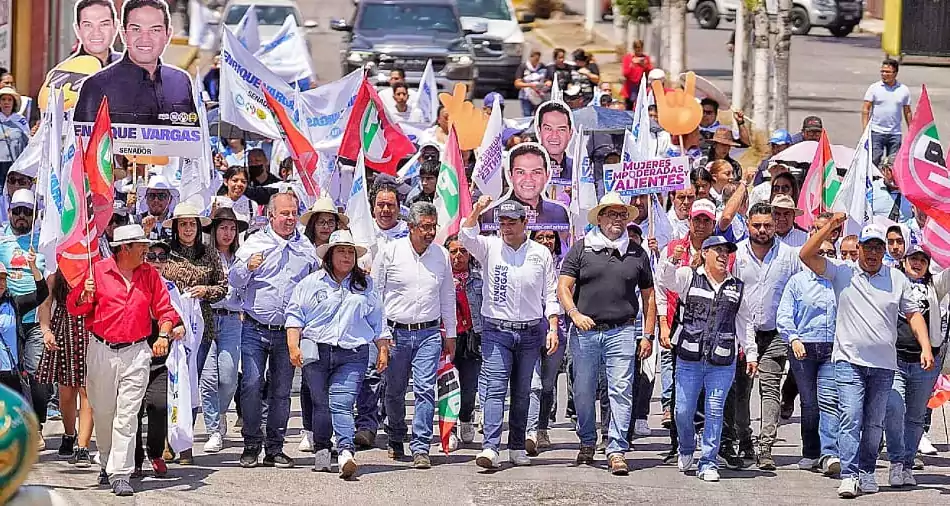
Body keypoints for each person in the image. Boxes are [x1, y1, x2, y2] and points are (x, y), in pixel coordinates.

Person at [799, 217, 932, 498]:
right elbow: (806, 254)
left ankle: (867, 471)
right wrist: (830, 226)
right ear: (858, 248)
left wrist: (926, 346)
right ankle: (849, 475)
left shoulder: (896, 278)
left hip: (883, 365)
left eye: (878, 248)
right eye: (868, 247)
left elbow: (913, 314)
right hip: (848, 361)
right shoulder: (842, 272)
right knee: (850, 416)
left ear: (884, 251)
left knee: (873, 423)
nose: (872, 253)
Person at [66, 224, 181, 496]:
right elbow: (75, 307)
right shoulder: (97, 271)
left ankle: (121, 473)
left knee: (127, 416)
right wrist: (84, 294)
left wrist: (164, 333)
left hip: (137, 351)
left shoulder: (150, 275)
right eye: (141, 245)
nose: (146, 250)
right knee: (104, 413)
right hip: (101, 351)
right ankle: (107, 463)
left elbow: (166, 309)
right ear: (125, 248)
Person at [558, 193, 655, 475]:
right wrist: (574, 314)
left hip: (622, 331)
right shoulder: (581, 248)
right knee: (584, 391)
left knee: (621, 391)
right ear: (599, 218)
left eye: (621, 214)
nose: (617, 219)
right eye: (611, 214)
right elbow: (564, 287)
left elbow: (649, 297)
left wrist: (647, 334)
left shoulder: (637, 253)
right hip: (586, 332)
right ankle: (587, 440)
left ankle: (616, 448)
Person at [460, 198, 559, 469]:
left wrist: (552, 327)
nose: (506, 228)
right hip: (496, 331)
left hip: (530, 333)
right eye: (502, 222)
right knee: (494, 390)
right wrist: (478, 209)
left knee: (523, 392)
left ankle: (516, 446)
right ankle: (490, 447)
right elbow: (465, 235)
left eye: (512, 222)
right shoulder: (490, 246)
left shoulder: (540, 253)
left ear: (525, 223)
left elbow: (550, 293)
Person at [286, 230, 388, 479]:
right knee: (321, 404)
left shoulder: (366, 285)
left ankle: (345, 451)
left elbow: (378, 319)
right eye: (341, 251)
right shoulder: (310, 283)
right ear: (329, 255)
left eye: (350, 251)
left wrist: (383, 349)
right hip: (316, 352)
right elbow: (294, 316)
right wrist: (292, 346)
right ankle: (322, 448)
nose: (346, 256)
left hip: (353, 354)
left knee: (341, 403)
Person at [657, 235, 757, 482]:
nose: (723, 256)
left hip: (722, 361)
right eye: (718, 251)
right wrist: (673, 259)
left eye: (727, 252)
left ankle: (708, 461)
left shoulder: (737, 287)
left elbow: (745, 323)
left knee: (714, 410)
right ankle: (687, 446)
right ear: (704, 253)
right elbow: (665, 279)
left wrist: (751, 353)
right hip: (689, 357)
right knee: (682, 410)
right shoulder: (688, 276)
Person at [230, 192, 318, 469]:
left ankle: (275, 448)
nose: (290, 218)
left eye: (294, 213)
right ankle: (251, 444)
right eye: (285, 213)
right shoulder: (254, 243)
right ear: (271, 216)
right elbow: (233, 278)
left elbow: (315, 283)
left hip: (287, 333)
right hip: (255, 328)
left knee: (281, 391)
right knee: (252, 384)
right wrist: (247, 267)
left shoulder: (305, 247)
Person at [374, 202, 456, 469]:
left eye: (434, 227)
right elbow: (375, 296)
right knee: (395, 391)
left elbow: (447, 296)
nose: (430, 232)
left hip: (429, 333)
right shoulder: (390, 252)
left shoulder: (441, 255)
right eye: (425, 227)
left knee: (424, 390)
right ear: (411, 227)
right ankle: (396, 436)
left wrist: (451, 333)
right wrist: (381, 336)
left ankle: (421, 446)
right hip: (395, 333)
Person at [731, 202, 801, 470]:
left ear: (775, 226)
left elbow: (797, 291)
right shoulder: (736, 254)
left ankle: (766, 446)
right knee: (741, 390)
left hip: (775, 334)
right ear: (748, 224)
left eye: (767, 225)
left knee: (770, 389)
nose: (762, 230)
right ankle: (744, 441)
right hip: (742, 332)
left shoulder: (789, 256)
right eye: (757, 225)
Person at [160, 203, 227, 463]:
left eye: (192, 224)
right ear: (176, 228)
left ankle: (185, 442)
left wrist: (205, 291)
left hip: (202, 328)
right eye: (183, 224)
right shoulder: (165, 253)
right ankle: (168, 439)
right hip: (173, 326)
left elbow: (222, 287)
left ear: (198, 228)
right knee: (172, 384)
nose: (188, 229)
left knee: (198, 384)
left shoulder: (209, 253)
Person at [884, 244, 949, 487]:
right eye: (913, 258)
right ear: (904, 260)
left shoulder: (935, 286)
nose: (917, 263)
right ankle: (895, 462)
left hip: (925, 363)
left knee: (915, 417)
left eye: (923, 259)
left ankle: (907, 465)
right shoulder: (890, 282)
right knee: (894, 409)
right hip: (895, 359)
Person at [73, 0, 197, 127]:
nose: (145, 38)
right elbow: (82, 143)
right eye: (136, 29)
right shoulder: (96, 86)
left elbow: (194, 137)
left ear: (168, 35)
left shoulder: (181, 81)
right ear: (123, 34)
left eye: (155, 30)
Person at [778, 238, 841, 475]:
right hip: (803, 348)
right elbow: (784, 315)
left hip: (831, 349)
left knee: (828, 401)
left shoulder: (840, 281)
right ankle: (811, 451)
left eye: (829, 252)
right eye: (820, 251)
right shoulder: (797, 282)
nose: (824, 256)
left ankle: (829, 453)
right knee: (809, 403)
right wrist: (793, 338)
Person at [296, 196, 346, 452]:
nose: (326, 226)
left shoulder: (345, 249)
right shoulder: (302, 248)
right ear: (313, 224)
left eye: (330, 222)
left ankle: (335, 430)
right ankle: (309, 429)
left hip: (339, 326)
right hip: (309, 325)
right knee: (309, 381)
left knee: (337, 384)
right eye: (322, 222)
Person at [0, 189, 49, 441]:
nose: (21, 216)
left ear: (35, 214)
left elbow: (50, 284)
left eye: (26, 211)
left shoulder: (45, 239)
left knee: (39, 381)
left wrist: (48, 323)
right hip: (9, 317)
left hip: (37, 318)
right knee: (11, 376)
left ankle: (37, 424)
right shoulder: (0, 239)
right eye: (16, 210)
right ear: (9, 212)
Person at [200, 207, 249, 455]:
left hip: (231, 319)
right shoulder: (203, 256)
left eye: (232, 228)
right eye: (223, 228)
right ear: (214, 230)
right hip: (207, 317)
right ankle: (213, 431)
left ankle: (219, 413)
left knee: (228, 378)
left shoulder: (242, 257)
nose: (228, 233)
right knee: (208, 378)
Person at [37, 269, 94, 466]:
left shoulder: (93, 271)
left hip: (90, 330)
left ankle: (83, 445)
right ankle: (69, 434)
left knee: (87, 391)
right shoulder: (55, 278)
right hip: (64, 332)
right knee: (66, 393)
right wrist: (46, 331)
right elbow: (44, 305)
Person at [132, 240, 175, 479]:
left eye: (162, 256)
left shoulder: (171, 287)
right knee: (133, 411)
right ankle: (135, 459)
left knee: (158, 406)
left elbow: (179, 319)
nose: (157, 261)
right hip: (132, 358)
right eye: (151, 256)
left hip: (160, 361)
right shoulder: (132, 284)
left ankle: (156, 452)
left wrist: (173, 330)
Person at [525, 228, 567, 454]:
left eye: (550, 237)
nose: (545, 241)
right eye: (539, 237)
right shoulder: (528, 261)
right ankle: (530, 431)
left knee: (548, 385)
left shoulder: (567, 264)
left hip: (557, 330)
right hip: (531, 328)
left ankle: (542, 428)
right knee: (534, 383)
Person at [443, 234, 483, 451]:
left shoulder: (479, 278)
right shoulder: (440, 277)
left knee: (469, 388)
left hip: (471, 337)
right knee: (447, 387)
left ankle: (466, 418)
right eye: (454, 251)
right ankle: (449, 430)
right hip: (447, 337)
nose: (458, 255)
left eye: (463, 251)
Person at [480, 144, 570, 232]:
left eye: (536, 172)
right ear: (510, 175)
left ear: (547, 175)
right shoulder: (492, 214)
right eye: (521, 172)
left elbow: (564, 245)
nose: (528, 179)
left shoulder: (558, 212)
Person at [0, 257, 47, 403]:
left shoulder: (14, 303)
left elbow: (42, 293)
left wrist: (33, 267)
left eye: (3, 279)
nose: (1, 283)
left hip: (12, 375)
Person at [862, 59, 912, 166]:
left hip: (895, 134)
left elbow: (907, 111)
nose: (884, 74)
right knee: (873, 161)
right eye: (882, 72)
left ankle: (889, 182)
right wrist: (865, 129)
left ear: (895, 73)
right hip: (876, 132)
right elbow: (866, 109)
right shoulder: (874, 88)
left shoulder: (903, 90)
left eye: (887, 72)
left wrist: (911, 130)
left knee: (893, 164)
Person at [71, 0, 121, 65]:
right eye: (88, 25)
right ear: (77, 30)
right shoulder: (66, 72)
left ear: (115, 27)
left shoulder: (130, 66)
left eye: (104, 24)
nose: (96, 32)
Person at [535, 101, 574, 185]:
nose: (554, 136)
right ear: (539, 131)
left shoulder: (577, 169)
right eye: (548, 129)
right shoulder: (524, 167)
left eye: (561, 129)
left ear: (570, 133)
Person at [871, 155, 913, 222]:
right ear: (883, 170)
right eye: (892, 171)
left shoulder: (913, 193)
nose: (896, 176)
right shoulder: (871, 190)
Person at [136, 175, 178, 241]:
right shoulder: (136, 221)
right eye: (151, 195)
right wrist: (145, 232)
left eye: (161, 196)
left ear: (170, 199)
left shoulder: (178, 222)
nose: (156, 200)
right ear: (146, 199)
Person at [621, 39, 652, 110]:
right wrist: (632, 64)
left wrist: (643, 65)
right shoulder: (628, 58)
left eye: (640, 48)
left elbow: (650, 72)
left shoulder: (645, 58)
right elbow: (625, 73)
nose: (638, 50)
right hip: (631, 87)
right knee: (630, 107)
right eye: (637, 48)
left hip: (642, 85)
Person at [514, 49, 546, 117]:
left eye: (538, 59)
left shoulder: (542, 67)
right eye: (535, 59)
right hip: (526, 96)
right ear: (531, 57)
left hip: (538, 96)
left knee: (538, 116)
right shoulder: (523, 67)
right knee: (527, 116)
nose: (536, 61)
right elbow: (517, 83)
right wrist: (530, 85)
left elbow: (547, 79)